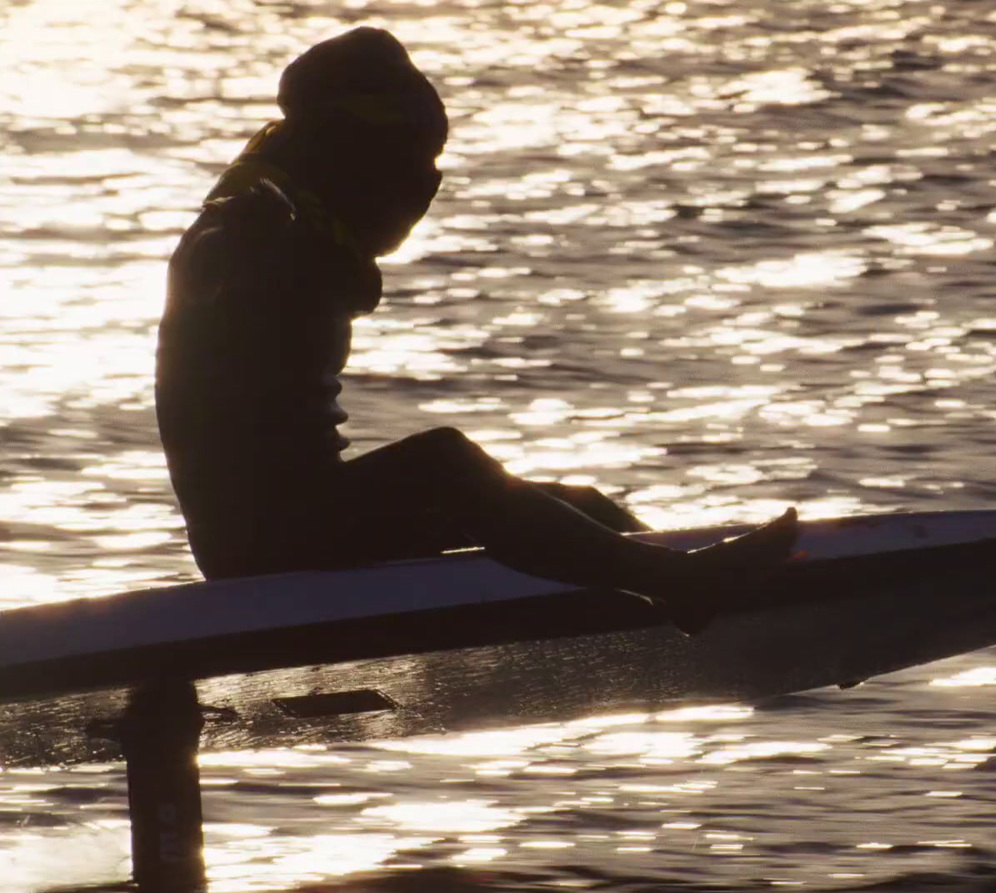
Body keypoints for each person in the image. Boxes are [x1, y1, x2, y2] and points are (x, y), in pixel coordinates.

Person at [155, 27, 797, 633]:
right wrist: (227, 252)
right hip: (261, 539)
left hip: (313, 514)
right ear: (351, 148)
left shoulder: (310, 228)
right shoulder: (249, 221)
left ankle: (714, 599)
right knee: (447, 465)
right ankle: (681, 584)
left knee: (582, 509)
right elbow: (209, 262)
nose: (424, 184)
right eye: (410, 159)